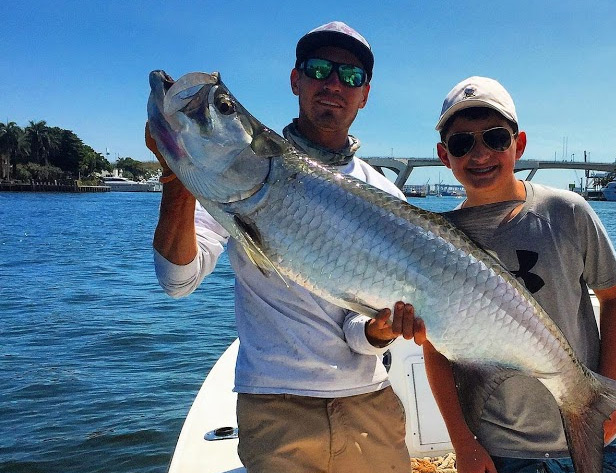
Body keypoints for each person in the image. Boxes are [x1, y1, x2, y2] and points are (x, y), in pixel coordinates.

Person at [148, 21, 425, 473]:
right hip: (275, 408)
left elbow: (359, 328)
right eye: (319, 69)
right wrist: (177, 174)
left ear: (366, 94)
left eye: (351, 76)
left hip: (367, 404)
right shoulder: (240, 177)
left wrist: (380, 331)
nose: (334, 84)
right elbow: (177, 278)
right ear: (296, 79)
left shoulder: (386, 198)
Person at [423, 76, 616, 473]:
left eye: (496, 138)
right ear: (443, 155)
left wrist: (606, 395)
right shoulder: (439, 241)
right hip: (503, 450)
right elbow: (437, 349)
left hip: (595, 434)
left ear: (518, 145)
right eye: (462, 143)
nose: (480, 153)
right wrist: (462, 442)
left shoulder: (568, 212)